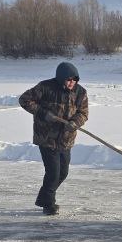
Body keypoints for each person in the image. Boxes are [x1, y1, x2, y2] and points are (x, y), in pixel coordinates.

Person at [18, 61, 88, 215]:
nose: (72, 82)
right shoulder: (45, 87)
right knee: (53, 173)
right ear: (61, 78)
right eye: (68, 79)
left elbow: (83, 113)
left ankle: (44, 198)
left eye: (74, 79)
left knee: (63, 172)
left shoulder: (80, 92)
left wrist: (75, 123)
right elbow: (24, 100)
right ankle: (48, 204)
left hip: (66, 139)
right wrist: (44, 113)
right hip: (47, 138)